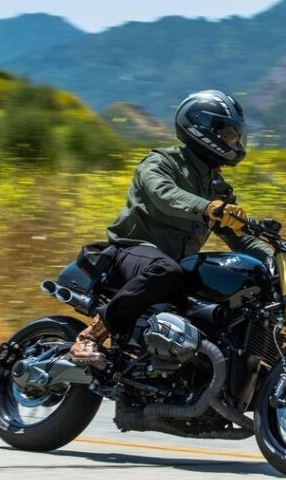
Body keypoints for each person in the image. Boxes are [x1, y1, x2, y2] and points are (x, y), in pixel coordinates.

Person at [70, 90, 273, 367]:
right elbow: (164, 195)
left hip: (176, 265)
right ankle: (92, 334)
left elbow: (240, 238)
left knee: (234, 287)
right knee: (166, 270)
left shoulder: (216, 186)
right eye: (227, 135)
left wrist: (277, 262)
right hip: (131, 252)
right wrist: (208, 207)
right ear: (202, 127)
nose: (234, 141)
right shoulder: (162, 162)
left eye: (235, 135)